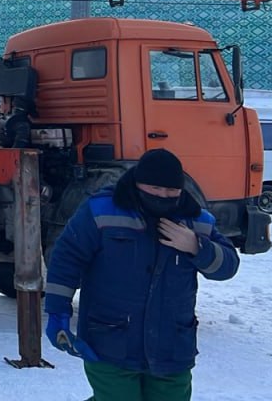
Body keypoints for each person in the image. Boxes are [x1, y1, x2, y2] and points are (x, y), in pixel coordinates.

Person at [44, 148, 239, 401]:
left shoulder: (196, 221)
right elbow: (66, 260)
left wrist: (196, 246)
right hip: (109, 345)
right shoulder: (101, 211)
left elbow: (228, 266)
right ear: (137, 184)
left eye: (171, 191)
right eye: (154, 189)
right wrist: (58, 312)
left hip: (172, 348)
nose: (163, 196)